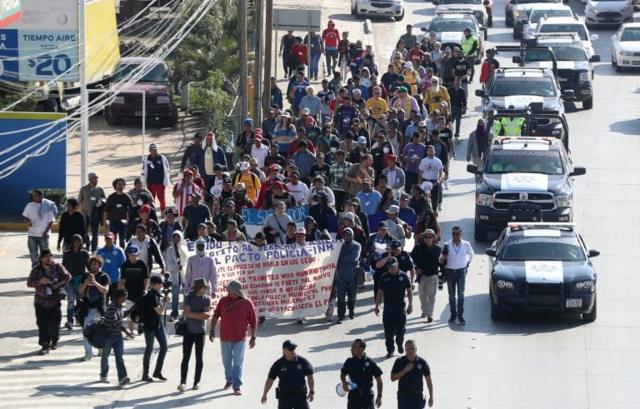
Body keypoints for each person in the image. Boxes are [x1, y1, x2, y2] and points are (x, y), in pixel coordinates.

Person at [209, 280, 257, 395]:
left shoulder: (247, 303)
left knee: (237, 362)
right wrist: (211, 330)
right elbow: (215, 315)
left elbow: (253, 322)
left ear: (236, 292)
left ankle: (237, 385)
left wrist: (253, 337)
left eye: (229, 290)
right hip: (225, 337)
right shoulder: (223, 300)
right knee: (226, 361)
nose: (227, 291)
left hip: (240, 338)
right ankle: (229, 380)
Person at [27, 249, 71, 355]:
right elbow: (29, 283)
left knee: (55, 323)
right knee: (42, 324)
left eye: (49, 256)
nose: (48, 258)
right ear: (41, 259)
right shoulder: (36, 270)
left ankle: (54, 340)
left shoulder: (57, 267)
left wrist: (57, 285)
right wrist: (39, 282)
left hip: (54, 301)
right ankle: (45, 345)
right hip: (40, 302)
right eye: (45, 257)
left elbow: (68, 276)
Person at [177, 278, 212, 392]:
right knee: (185, 358)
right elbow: (187, 313)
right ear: (198, 288)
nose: (205, 289)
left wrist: (192, 314)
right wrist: (200, 314)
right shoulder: (188, 297)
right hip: (188, 332)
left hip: (200, 333)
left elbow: (207, 316)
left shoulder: (207, 299)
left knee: (199, 359)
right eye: (204, 287)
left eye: (206, 287)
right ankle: (183, 382)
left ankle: (196, 382)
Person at [375, 257, 413, 358]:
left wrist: (410, 305)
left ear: (397, 266)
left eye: (394, 267)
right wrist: (377, 305)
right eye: (390, 267)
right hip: (388, 310)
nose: (392, 269)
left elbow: (409, 291)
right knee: (388, 332)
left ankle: (400, 343)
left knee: (400, 331)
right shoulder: (384, 277)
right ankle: (390, 350)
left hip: (400, 309)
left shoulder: (403, 276)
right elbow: (379, 293)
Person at [261, 340, 315, 407]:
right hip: (284, 396)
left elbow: (310, 376)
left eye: (294, 348)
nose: (293, 351)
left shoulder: (303, 362)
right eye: (291, 349)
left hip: (300, 395)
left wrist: (311, 391)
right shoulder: (278, 364)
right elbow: (270, 380)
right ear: (284, 351)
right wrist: (264, 394)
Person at [440, 226, 474, 324]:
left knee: (461, 294)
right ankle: (453, 315)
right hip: (450, 272)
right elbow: (440, 259)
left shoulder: (466, 244)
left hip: (461, 272)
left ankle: (460, 316)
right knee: (451, 295)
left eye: (457, 234)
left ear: (461, 234)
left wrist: (466, 263)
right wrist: (443, 258)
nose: (455, 236)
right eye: (453, 234)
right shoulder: (447, 244)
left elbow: (471, 254)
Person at [80, 255, 111, 361]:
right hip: (87, 308)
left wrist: (94, 283)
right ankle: (88, 353)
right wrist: (85, 284)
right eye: (92, 264)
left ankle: (101, 348)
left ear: (100, 265)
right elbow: (80, 291)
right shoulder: (86, 276)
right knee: (86, 331)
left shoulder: (104, 276)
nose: (93, 266)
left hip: (99, 308)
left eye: (96, 264)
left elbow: (105, 290)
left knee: (100, 331)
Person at [100, 288, 132, 386]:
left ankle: (122, 378)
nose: (125, 300)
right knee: (105, 356)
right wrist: (125, 330)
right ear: (118, 297)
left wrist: (132, 310)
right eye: (123, 298)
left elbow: (121, 317)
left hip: (118, 337)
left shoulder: (119, 306)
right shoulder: (111, 308)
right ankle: (103, 375)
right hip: (109, 336)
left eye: (126, 298)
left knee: (119, 357)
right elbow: (113, 322)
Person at [141, 275, 169, 382]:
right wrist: (166, 302)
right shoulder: (151, 296)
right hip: (150, 326)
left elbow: (158, 309)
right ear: (154, 285)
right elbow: (159, 311)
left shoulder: (156, 295)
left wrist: (163, 301)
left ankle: (157, 371)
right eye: (160, 284)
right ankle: (145, 374)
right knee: (149, 349)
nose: (161, 285)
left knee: (164, 347)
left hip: (157, 325)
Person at [340, 338, 383, 408]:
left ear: (361, 349)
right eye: (352, 347)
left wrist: (379, 396)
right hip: (353, 396)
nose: (351, 349)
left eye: (354, 347)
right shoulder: (349, 362)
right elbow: (343, 374)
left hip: (367, 397)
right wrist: (344, 382)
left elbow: (379, 380)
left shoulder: (370, 363)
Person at [390, 340, 434, 408]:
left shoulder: (422, 362)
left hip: (417, 397)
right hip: (403, 397)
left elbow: (428, 380)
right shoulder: (399, 361)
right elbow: (392, 378)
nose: (410, 350)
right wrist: (405, 370)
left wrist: (431, 396)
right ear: (405, 349)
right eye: (408, 349)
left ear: (416, 349)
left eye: (412, 348)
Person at [118, 245, 149, 338]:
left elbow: (146, 279)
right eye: (131, 255)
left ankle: (141, 325)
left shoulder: (142, 264)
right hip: (128, 294)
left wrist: (146, 289)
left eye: (135, 254)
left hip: (140, 294)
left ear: (138, 254)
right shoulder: (124, 265)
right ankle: (130, 333)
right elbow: (122, 280)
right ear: (128, 254)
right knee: (129, 314)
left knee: (142, 313)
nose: (133, 256)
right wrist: (119, 292)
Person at [411, 230, 441, 322]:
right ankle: (424, 310)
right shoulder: (417, 248)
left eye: (430, 237)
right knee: (422, 295)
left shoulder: (438, 249)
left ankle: (430, 314)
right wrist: (416, 268)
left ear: (433, 238)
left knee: (431, 295)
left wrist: (443, 275)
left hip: (433, 275)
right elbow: (411, 260)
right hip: (422, 275)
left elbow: (442, 262)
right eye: (426, 237)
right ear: (423, 238)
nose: (428, 239)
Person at [334, 228, 362, 324]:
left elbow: (354, 257)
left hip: (352, 275)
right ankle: (340, 316)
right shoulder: (338, 246)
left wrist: (340, 258)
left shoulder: (357, 245)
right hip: (340, 276)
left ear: (352, 235)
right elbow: (333, 257)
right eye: (345, 235)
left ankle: (351, 311)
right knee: (340, 298)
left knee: (352, 297)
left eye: (349, 234)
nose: (346, 237)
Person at [23, 189, 58, 266]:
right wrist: (27, 220)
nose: (33, 197)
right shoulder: (29, 205)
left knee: (45, 255)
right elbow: (24, 217)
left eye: (35, 195)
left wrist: (45, 233)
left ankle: (46, 271)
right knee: (33, 254)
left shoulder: (48, 206)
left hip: (43, 235)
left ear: (41, 196)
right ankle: (35, 271)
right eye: (32, 195)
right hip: (32, 235)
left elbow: (51, 221)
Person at [62, 234, 90, 329]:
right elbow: (63, 268)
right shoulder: (67, 254)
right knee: (70, 301)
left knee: (80, 301)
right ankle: (70, 321)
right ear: (72, 242)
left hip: (81, 282)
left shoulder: (85, 254)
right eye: (75, 241)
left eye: (79, 241)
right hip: (70, 281)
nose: (77, 243)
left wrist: (90, 277)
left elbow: (89, 267)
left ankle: (79, 319)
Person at [78, 173, 106, 252]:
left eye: (96, 178)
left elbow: (104, 198)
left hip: (95, 215)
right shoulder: (83, 189)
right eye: (94, 178)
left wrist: (101, 201)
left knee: (95, 234)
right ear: (90, 180)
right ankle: (87, 244)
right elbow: (79, 200)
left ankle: (94, 249)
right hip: (85, 214)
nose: (96, 180)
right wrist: (75, 212)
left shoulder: (99, 189)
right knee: (84, 232)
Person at [104, 178, 134, 248]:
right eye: (119, 184)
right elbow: (106, 210)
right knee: (112, 240)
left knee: (122, 241)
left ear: (124, 186)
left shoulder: (127, 197)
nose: (120, 185)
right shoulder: (111, 197)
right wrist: (105, 221)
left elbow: (131, 210)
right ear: (115, 185)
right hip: (113, 221)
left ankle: (122, 255)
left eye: (122, 184)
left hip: (123, 222)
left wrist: (128, 221)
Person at [142, 143, 171, 211]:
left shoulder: (162, 158)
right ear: (149, 150)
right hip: (150, 183)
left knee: (161, 198)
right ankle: (152, 211)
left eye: (155, 150)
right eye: (152, 150)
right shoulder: (146, 159)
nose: (153, 151)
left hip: (160, 182)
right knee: (150, 198)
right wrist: (143, 182)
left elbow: (167, 169)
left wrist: (166, 180)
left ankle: (163, 211)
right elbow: (143, 171)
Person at [97, 232, 126, 297]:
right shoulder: (100, 251)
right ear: (104, 239)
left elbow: (123, 266)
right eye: (107, 238)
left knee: (114, 301)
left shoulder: (119, 250)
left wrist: (123, 280)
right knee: (103, 301)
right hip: (103, 279)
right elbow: (96, 266)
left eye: (110, 239)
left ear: (114, 239)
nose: (108, 240)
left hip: (115, 280)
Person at [418, 145, 444, 215]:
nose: (430, 152)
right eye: (429, 151)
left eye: (432, 151)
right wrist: (419, 183)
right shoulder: (423, 161)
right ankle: (425, 212)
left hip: (434, 182)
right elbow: (420, 172)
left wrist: (439, 180)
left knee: (435, 198)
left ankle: (435, 211)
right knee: (424, 197)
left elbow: (441, 174)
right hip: (425, 181)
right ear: (427, 152)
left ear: (434, 151)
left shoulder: (438, 161)